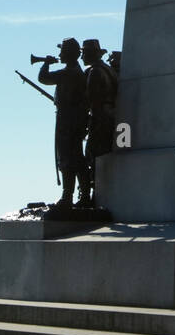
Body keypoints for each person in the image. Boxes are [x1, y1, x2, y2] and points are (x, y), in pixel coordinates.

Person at [38, 39, 90, 210]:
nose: (59, 55)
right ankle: (83, 195)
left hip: (68, 120)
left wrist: (45, 63)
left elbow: (43, 78)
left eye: (62, 52)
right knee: (76, 157)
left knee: (68, 158)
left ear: (69, 54)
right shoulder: (76, 72)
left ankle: (67, 196)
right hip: (74, 119)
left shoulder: (69, 73)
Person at [81, 40, 119, 204]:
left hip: (100, 118)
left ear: (91, 54)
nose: (82, 56)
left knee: (91, 157)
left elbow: (93, 100)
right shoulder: (108, 70)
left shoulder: (95, 72)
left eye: (84, 52)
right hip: (109, 116)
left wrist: (88, 121)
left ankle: (90, 197)